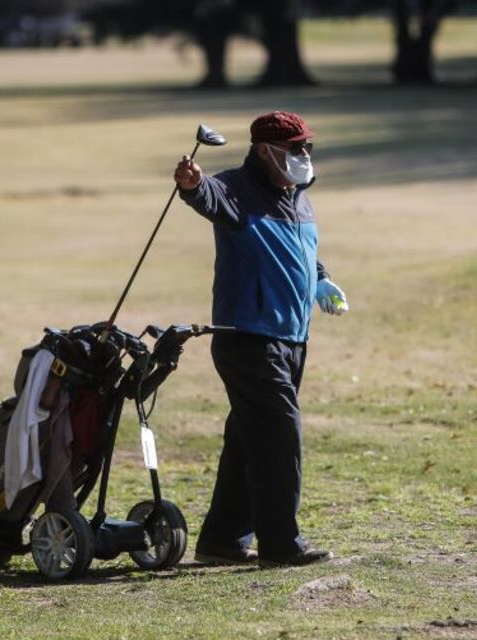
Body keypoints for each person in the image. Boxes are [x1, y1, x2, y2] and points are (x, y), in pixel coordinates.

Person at [174, 111, 349, 568]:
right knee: (278, 435)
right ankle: (281, 543)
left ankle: (222, 539)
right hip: (247, 337)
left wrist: (321, 279)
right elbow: (208, 196)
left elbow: (302, 252)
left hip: (291, 339)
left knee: (248, 439)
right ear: (264, 151)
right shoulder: (237, 189)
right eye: (295, 149)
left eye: (307, 147)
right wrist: (193, 184)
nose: (303, 156)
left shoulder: (298, 197)